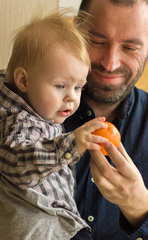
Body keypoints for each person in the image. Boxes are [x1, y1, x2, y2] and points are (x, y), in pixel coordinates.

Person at [0, 9, 110, 240]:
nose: (72, 98)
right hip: (42, 229)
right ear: (23, 80)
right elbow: (15, 162)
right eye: (60, 85)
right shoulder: (19, 122)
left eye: (78, 87)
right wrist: (70, 144)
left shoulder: (24, 113)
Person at [64, 0, 148, 239]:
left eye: (130, 47)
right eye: (97, 42)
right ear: (75, 34)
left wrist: (139, 207)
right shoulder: (23, 115)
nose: (110, 63)